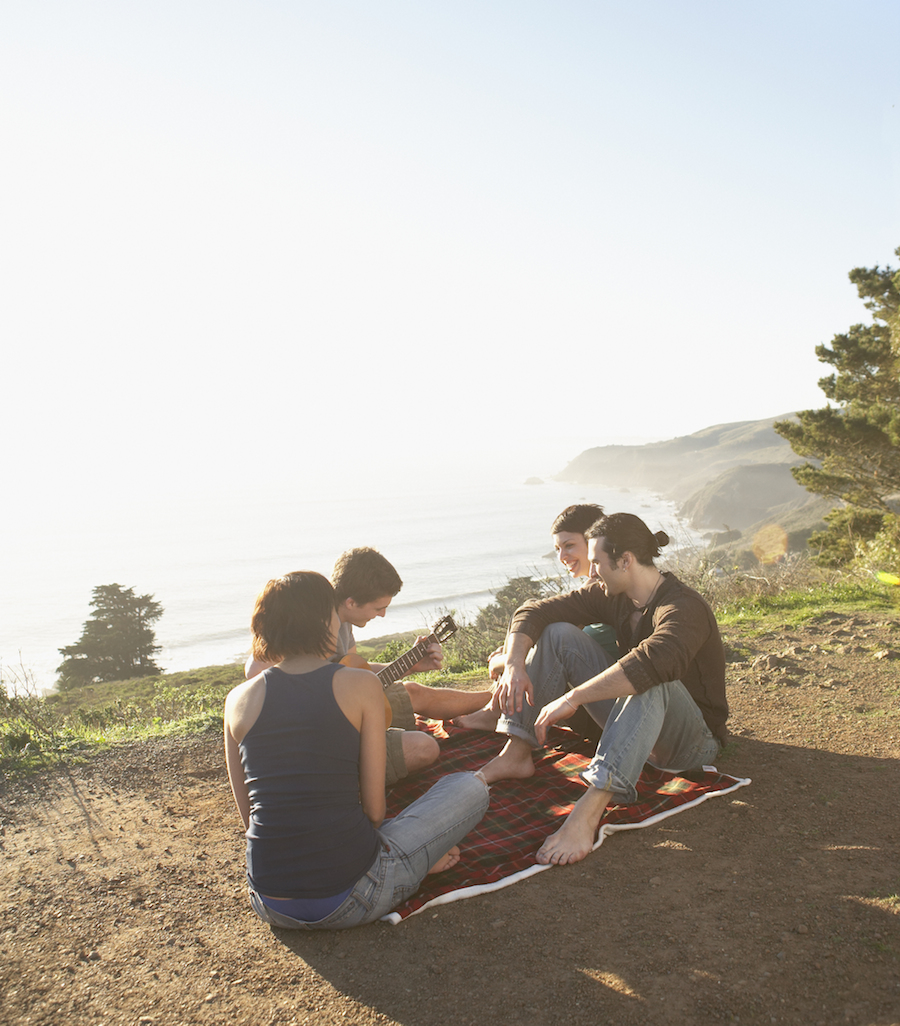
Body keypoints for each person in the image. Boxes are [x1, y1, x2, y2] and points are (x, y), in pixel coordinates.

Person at [224, 571, 490, 930]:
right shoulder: (359, 684)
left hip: (270, 901)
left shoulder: (237, 700)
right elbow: (375, 812)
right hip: (354, 897)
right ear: (325, 621)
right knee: (469, 787)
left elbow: (250, 819)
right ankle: (420, 857)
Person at [481, 512, 729, 867]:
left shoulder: (683, 607)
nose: (591, 571)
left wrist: (574, 697)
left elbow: (655, 662)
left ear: (625, 560)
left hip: (691, 743)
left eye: (597, 562)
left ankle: (589, 810)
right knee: (559, 634)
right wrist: (515, 664)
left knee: (649, 676)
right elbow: (533, 612)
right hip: (641, 727)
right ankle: (517, 750)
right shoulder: (613, 596)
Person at [246, 547, 491, 785]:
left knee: (413, 690)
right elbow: (254, 670)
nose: (382, 614)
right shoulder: (308, 619)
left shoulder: (343, 622)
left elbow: (355, 671)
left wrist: (411, 665)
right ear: (351, 602)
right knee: (425, 747)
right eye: (379, 608)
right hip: (323, 738)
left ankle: (493, 701)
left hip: (351, 713)